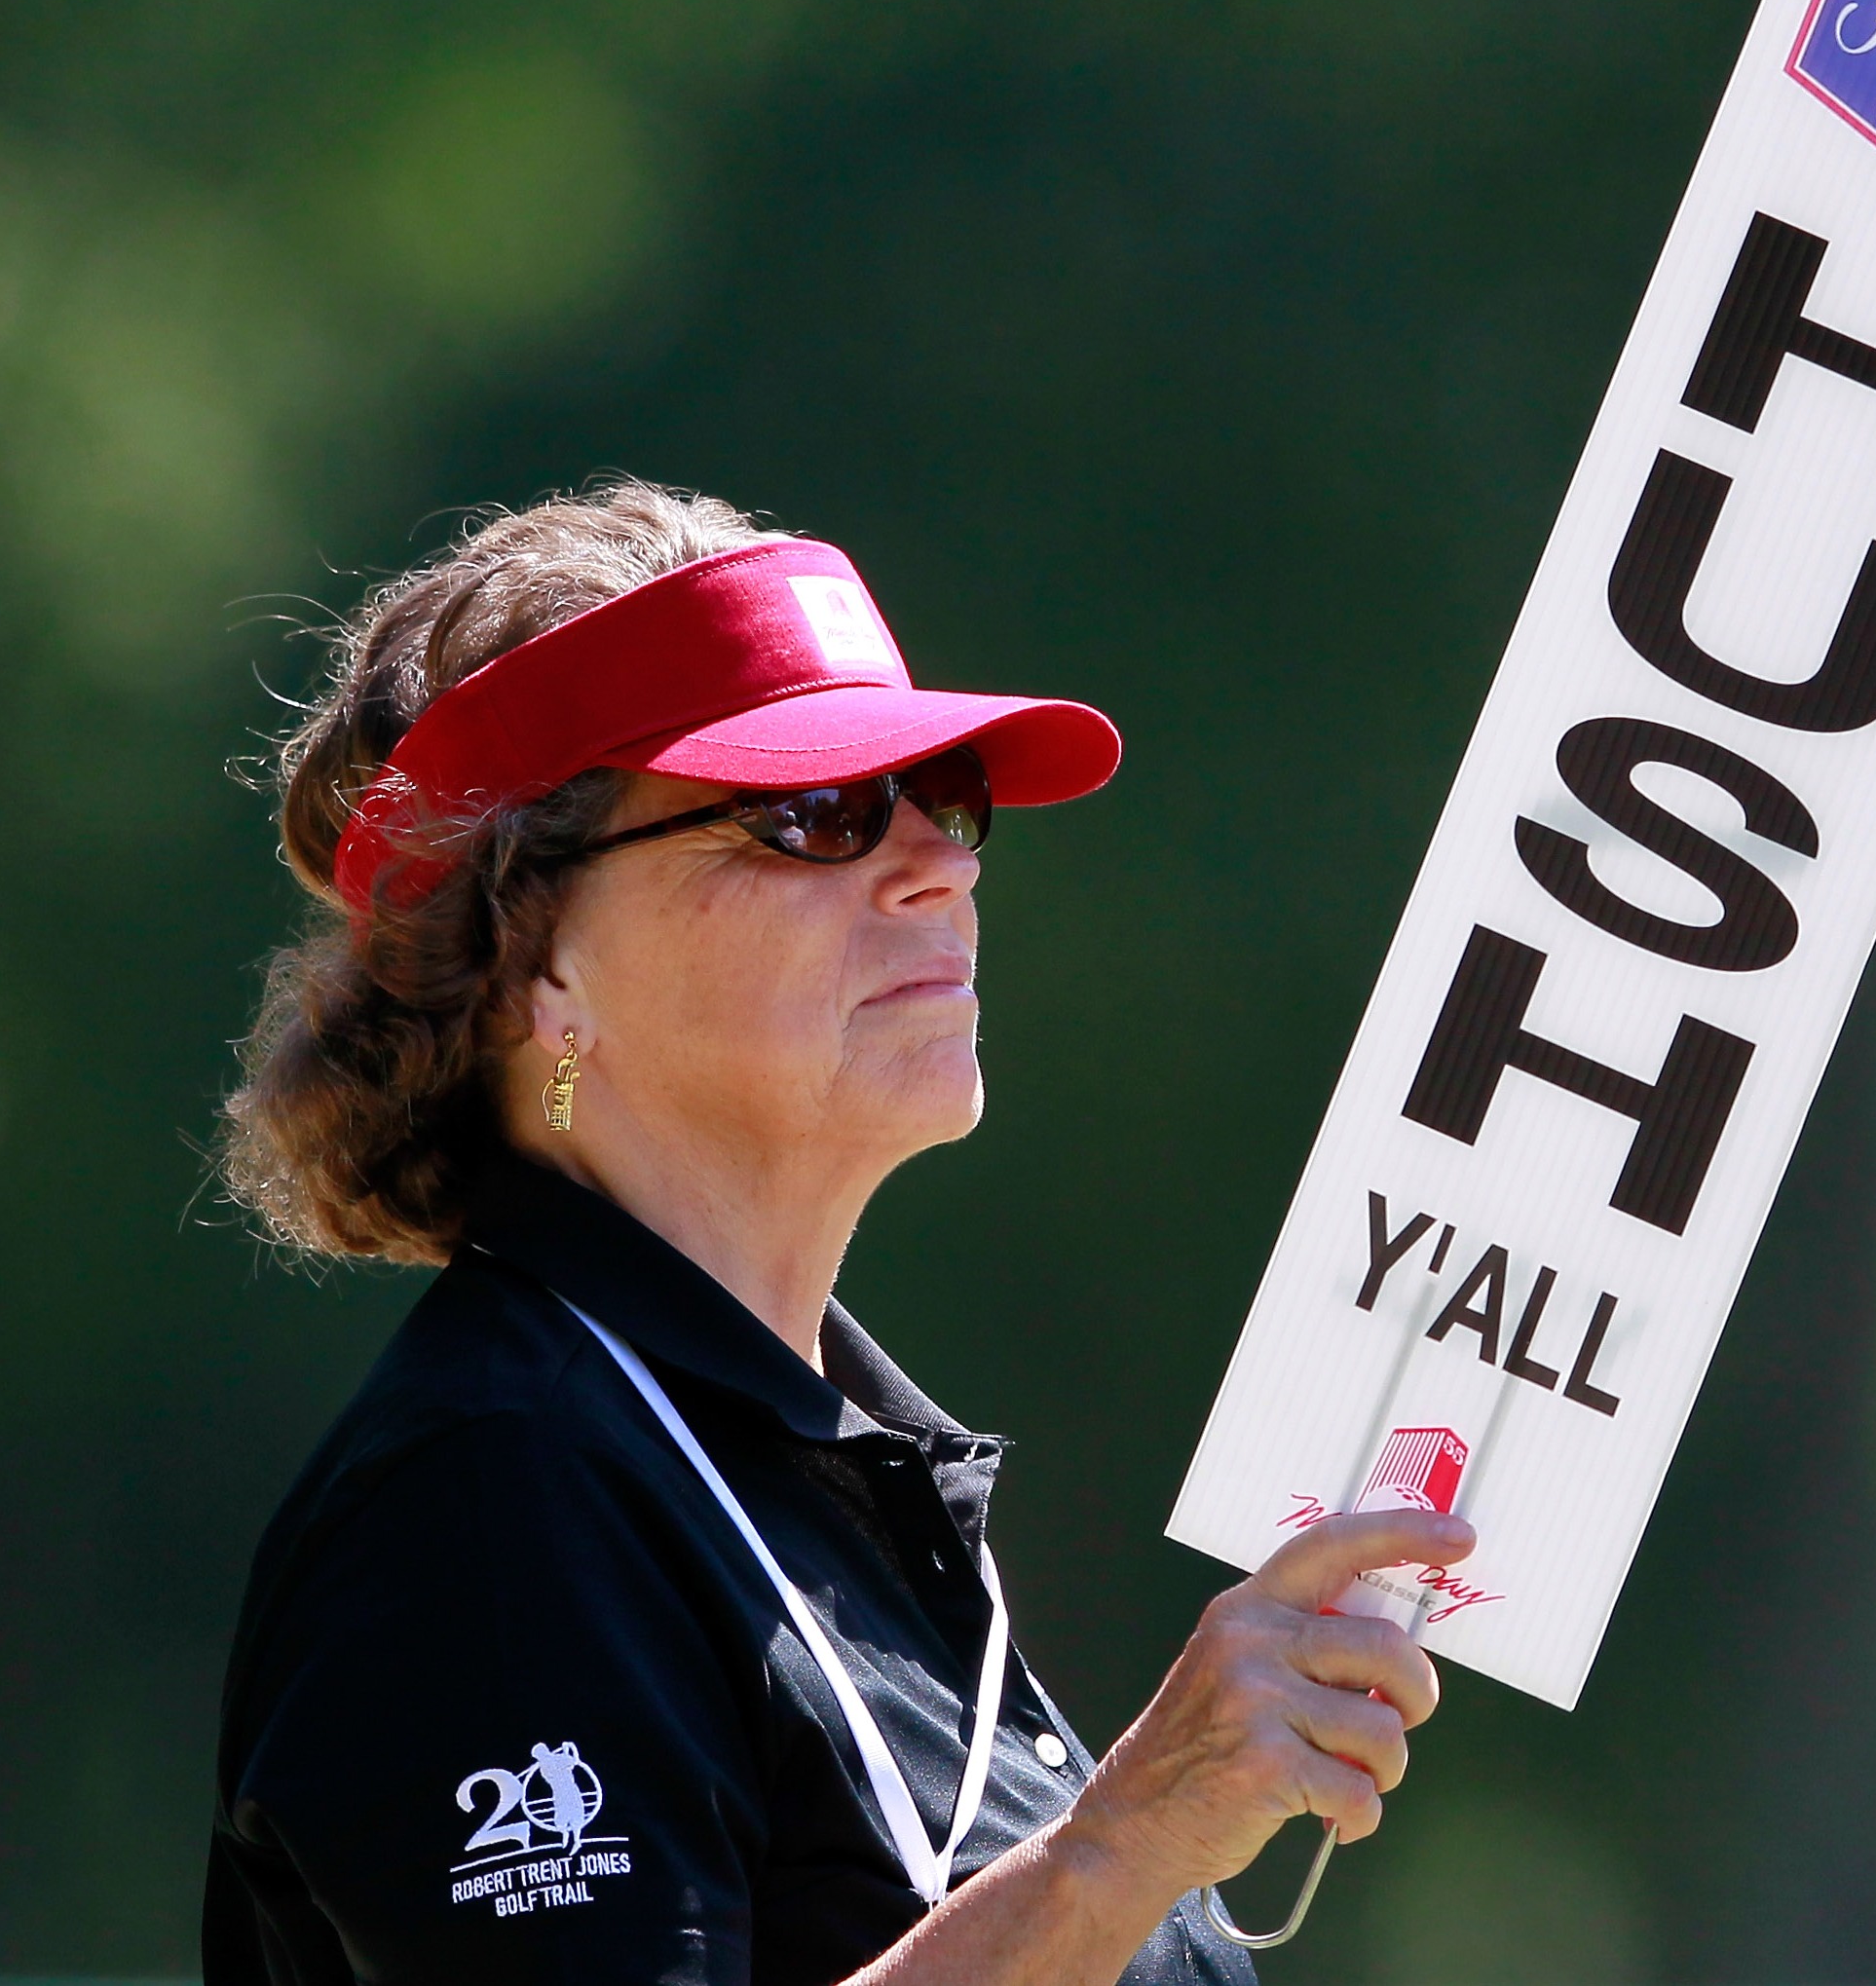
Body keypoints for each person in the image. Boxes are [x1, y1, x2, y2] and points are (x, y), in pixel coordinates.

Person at [203, 481, 1473, 1986]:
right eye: (813, 814)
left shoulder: (822, 1477)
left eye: (946, 796)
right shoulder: (494, 1494)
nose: (943, 865)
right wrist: (1115, 1853)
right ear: (533, 964)